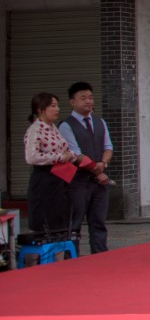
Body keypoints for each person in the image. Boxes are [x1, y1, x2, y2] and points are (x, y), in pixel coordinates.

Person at [59, 81, 113, 253]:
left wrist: (103, 163)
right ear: (72, 102)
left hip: (99, 183)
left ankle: (100, 257)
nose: (88, 101)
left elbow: (108, 147)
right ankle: (72, 258)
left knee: (99, 222)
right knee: (74, 223)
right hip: (78, 182)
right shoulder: (66, 125)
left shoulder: (100, 122)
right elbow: (75, 154)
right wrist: (97, 170)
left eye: (90, 97)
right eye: (83, 98)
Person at [24, 92, 77, 239]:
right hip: (44, 180)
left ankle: (61, 250)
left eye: (57, 105)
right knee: (45, 224)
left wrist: (70, 155)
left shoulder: (54, 127)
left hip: (60, 179)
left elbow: (64, 150)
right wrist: (59, 157)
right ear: (40, 109)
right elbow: (31, 157)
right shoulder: (35, 130)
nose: (57, 109)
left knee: (61, 222)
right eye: (53, 106)